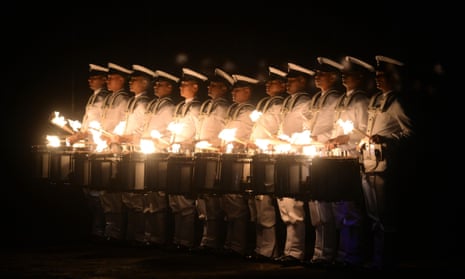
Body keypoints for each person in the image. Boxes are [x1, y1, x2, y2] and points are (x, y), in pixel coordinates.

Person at [359, 55, 414, 271]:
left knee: (385, 216)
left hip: (385, 165)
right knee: (373, 215)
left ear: (394, 77)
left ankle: (386, 260)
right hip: (369, 163)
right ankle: (377, 258)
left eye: (383, 76)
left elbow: (409, 132)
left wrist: (387, 139)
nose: (378, 79)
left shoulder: (397, 102)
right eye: (377, 76)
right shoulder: (375, 100)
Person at [328, 55, 374, 269]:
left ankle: (354, 255)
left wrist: (344, 138)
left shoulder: (361, 100)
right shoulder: (343, 99)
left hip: (352, 158)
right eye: (343, 73)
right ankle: (343, 253)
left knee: (352, 210)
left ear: (360, 76)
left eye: (350, 73)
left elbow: (364, 132)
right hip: (339, 158)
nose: (344, 76)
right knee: (341, 209)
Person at [304, 57, 345, 267]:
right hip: (315, 153)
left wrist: (318, 139)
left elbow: (339, 129)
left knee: (330, 209)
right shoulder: (317, 98)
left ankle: (333, 254)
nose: (317, 77)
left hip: (329, 155)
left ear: (333, 76)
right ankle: (320, 254)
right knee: (317, 210)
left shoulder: (337, 98)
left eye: (321, 74)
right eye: (316, 74)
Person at [274, 62, 315, 266]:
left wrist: (294, 140)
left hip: (298, 157)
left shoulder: (306, 103)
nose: (286, 84)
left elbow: (308, 130)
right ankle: (289, 250)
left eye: (291, 80)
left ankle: (297, 252)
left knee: (295, 208)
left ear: (302, 81)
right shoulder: (290, 102)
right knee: (285, 208)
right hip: (286, 156)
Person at [111, 64, 155, 246]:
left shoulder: (144, 103)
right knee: (128, 197)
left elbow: (144, 129)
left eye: (135, 80)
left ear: (145, 83)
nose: (131, 82)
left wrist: (126, 137)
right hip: (128, 151)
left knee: (139, 198)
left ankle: (142, 236)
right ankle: (130, 235)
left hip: (140, 152)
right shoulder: (134, 101)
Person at [246, 66, 287, 262]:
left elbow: (280, 135)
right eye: (268, 81)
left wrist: (265, 142)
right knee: (257, 206)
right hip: (258, 157)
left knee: (267, 206)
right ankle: (260, 247)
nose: (268, 84)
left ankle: (270, 250)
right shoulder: (266, 104)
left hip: (271, 158)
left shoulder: (281, 106)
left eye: (274, 81)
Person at [190, 68, 233, 254]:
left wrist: (210, 143)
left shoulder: (223, 108)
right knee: (203, 202)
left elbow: (223, 134)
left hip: (214, 156)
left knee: (214, 202)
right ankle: (207, 240)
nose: (209, 88)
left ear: (224, 88)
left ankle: (218, 242)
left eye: (214, 85)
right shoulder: (209, 105)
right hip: (202, 155)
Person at [66, 63, 110, 241]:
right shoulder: (94, 97)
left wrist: (84, 134)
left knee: (100, 191)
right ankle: (97, 228)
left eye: (95, 78)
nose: (90, 81)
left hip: (100, 146)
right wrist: (80, 134)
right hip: (90, 145)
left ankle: (103, 230)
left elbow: (102, 125)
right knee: (88, 190)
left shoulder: (105, 98)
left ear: (103, 80)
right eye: (90, 78)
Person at [167, 67, 207, 251]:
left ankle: (187, 241)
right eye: (181, 84)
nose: (181, 88)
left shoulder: (198, 107)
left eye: (185, 84)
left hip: (188, 157)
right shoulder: (180, 106)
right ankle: (178, 239)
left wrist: (189, 143)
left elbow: (199, 133)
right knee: (175, 201)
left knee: (185, 202)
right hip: (175, 154)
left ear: (195, 86)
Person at [140, 69, 181, 249]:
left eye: (160, 84)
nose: (155, 87)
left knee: (161, 200)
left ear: (169, 87)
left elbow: (172, 134)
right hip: (149, 154)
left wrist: (160, 141)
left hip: (162, 156)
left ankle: (162, 238)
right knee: (149, 198)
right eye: (155, 84)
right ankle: (149, 236)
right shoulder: (154, 105)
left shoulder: (169, 107)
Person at [219, 73, 258, 258]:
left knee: (238, 203)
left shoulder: (249, 111)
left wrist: (234, 141)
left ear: (248, 91)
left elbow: (241, 135)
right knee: (229, 203)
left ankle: (239, 246)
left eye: (237, 90)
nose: (233, 93)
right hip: (230, 158)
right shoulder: (235, 109)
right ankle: (230, 243)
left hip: (241, 160)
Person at [98, 62, 133, 243]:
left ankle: (118, 232)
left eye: (111, 78)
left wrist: (115, 137)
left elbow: (122, 125)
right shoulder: (111, 98)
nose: (107, 80)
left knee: (116, 190)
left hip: (118, 150)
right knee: (105, 191)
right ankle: (109, 229)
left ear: (121, 79)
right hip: (107, 146)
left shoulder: (124, 100)